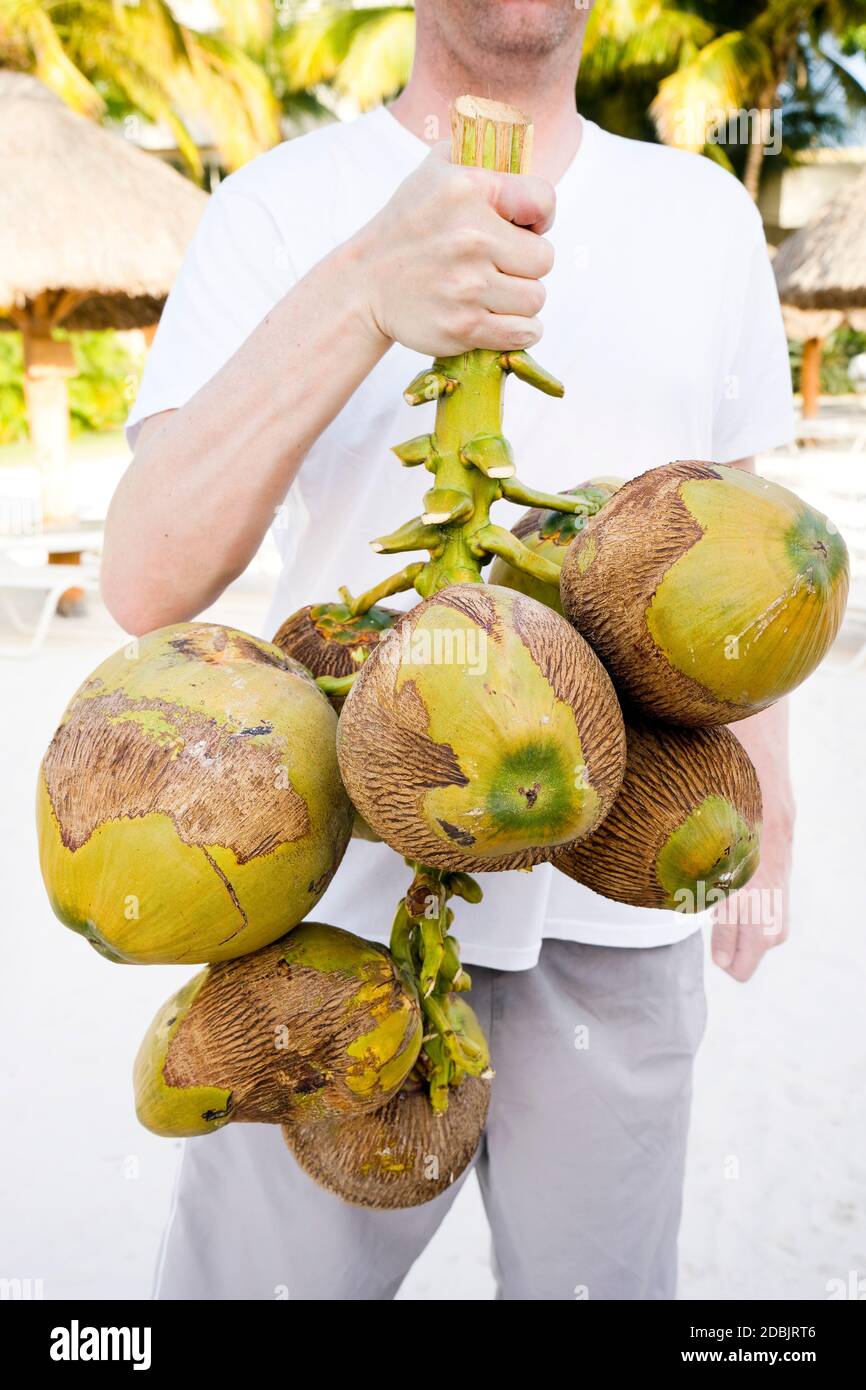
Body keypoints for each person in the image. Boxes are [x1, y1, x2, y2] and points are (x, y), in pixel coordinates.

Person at [107, 0, 795, 1300]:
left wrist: (771, 798)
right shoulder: (277, 204)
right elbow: (145, 574)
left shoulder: (703, 213)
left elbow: (735, 548)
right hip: (326, 906)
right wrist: (364, 288)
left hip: (616, 904)